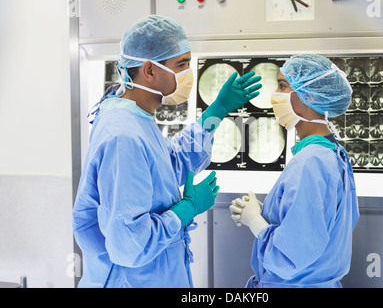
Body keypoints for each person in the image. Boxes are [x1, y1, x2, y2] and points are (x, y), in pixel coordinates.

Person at [72, 15, 262, 288]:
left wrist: (216, 111)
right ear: (149, 70)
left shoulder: (135, 118)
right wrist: (187, 208)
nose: (189, 73)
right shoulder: (123, 136)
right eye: (181, 64)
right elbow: (131, 244)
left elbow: (171, 162)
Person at [230, 54, 360, 288]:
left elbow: (289, 258)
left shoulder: (311, 161)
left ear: (309, 96)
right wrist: (270, 211)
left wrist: (256, 223)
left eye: (282, 86)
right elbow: (321, 224)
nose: (275, 96)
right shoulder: (331, 153)